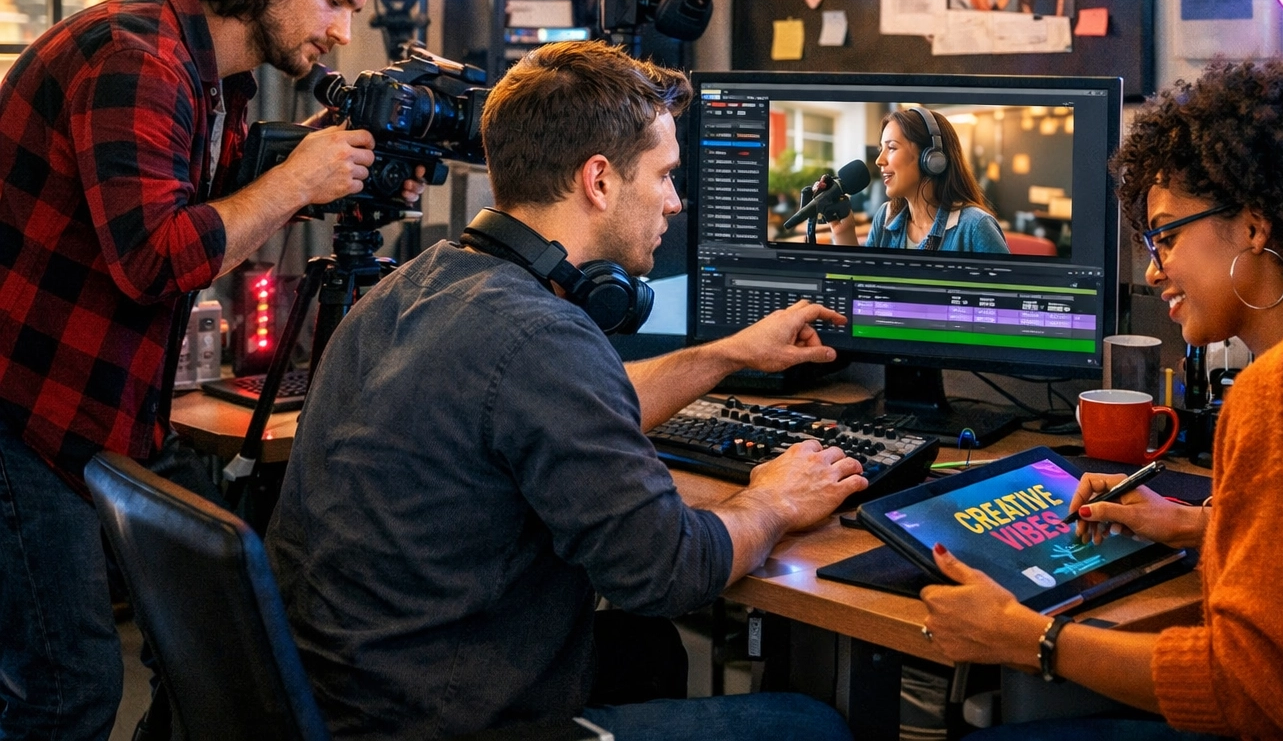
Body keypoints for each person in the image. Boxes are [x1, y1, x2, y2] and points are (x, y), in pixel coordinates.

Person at [266, 40, 865, 741]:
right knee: (809, 726)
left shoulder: (422, 282)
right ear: (600, 180)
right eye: (666, 175)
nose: (676, 201)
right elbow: (669, 570)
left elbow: (552, 411)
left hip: (338, 695)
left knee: (646, 654)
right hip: (443, 721)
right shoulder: (541, 337)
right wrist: (773, 500)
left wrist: (727, 355)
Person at [918, 61, 1283, 740]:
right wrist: (1189, 525)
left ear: (1255, 227)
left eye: (1167, 235)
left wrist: (1026, 637)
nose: (1152, 269)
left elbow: (1249, 692)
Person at [0, 0, 411, 741]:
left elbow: (210, 221)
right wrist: (297, 179)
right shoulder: (133, 56)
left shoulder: (218, 80)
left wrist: (320, 187)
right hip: (21, 410)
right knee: (67, 686)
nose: (342, 32)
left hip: (109, 411)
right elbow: (157, 258)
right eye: (334, 1)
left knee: (213, 647)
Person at [828, 107, 1008, 254]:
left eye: (891, 147)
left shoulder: (975, 227)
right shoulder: (885, 216)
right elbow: (863, 287)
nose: (879, 160)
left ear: (931, 158)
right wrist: (844, 233)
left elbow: (1008, 295)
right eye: (880, 148)